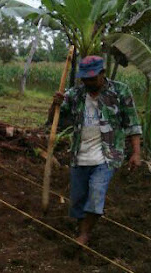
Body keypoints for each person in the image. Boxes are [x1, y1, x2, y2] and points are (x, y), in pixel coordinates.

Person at [49, 55, 142, 245]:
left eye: (92, 78)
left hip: (108, 156)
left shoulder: (120, 91)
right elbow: (55, 119)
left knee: (96, 192)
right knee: (77, 199)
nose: (88, 82)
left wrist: (136, 153)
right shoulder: (74, 94)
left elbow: (132, 123)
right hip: (79, 155)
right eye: (85, 79)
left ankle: (84, 235)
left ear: (102, 73)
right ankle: (82, 227)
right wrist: (55, 103)